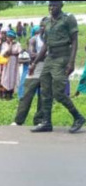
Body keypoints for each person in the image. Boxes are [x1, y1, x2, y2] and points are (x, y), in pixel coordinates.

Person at [32, 1, 85, 133]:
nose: (51, 8)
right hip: (50, 57)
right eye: (50, 5)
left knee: (58, 92)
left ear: (61, 6)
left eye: (54, 5)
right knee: (45, 91)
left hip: (62, 57)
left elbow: (74, 41)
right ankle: (46, 122)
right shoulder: (47, 21)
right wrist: (35, 62)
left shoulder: (68, 18)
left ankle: (78, 117)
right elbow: (45, 45)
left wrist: (71, 62)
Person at [11, 20, 46, 126]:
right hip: (34, 69)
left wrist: (39, 55)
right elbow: (31, 54)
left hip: (46, 70)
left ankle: (39, 120)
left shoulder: (52, 40)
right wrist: (45, 54)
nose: (43, 28)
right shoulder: (34, 39)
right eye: (41, 26)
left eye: (45, 26)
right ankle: (18, 121)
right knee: (26, 96)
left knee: (43, 98)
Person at [0, 30, 22, 100]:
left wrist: (12, 53)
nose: (10, 38)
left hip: (14, 64)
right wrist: (11, 44)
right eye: (9, 37)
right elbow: (6, 53)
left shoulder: (18, 44)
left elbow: (19, 53)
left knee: (13, 77)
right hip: (6, 64)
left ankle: (10, 93)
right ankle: (4, 93)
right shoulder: (4, 44)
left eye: (11, 37)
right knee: (5, 77)